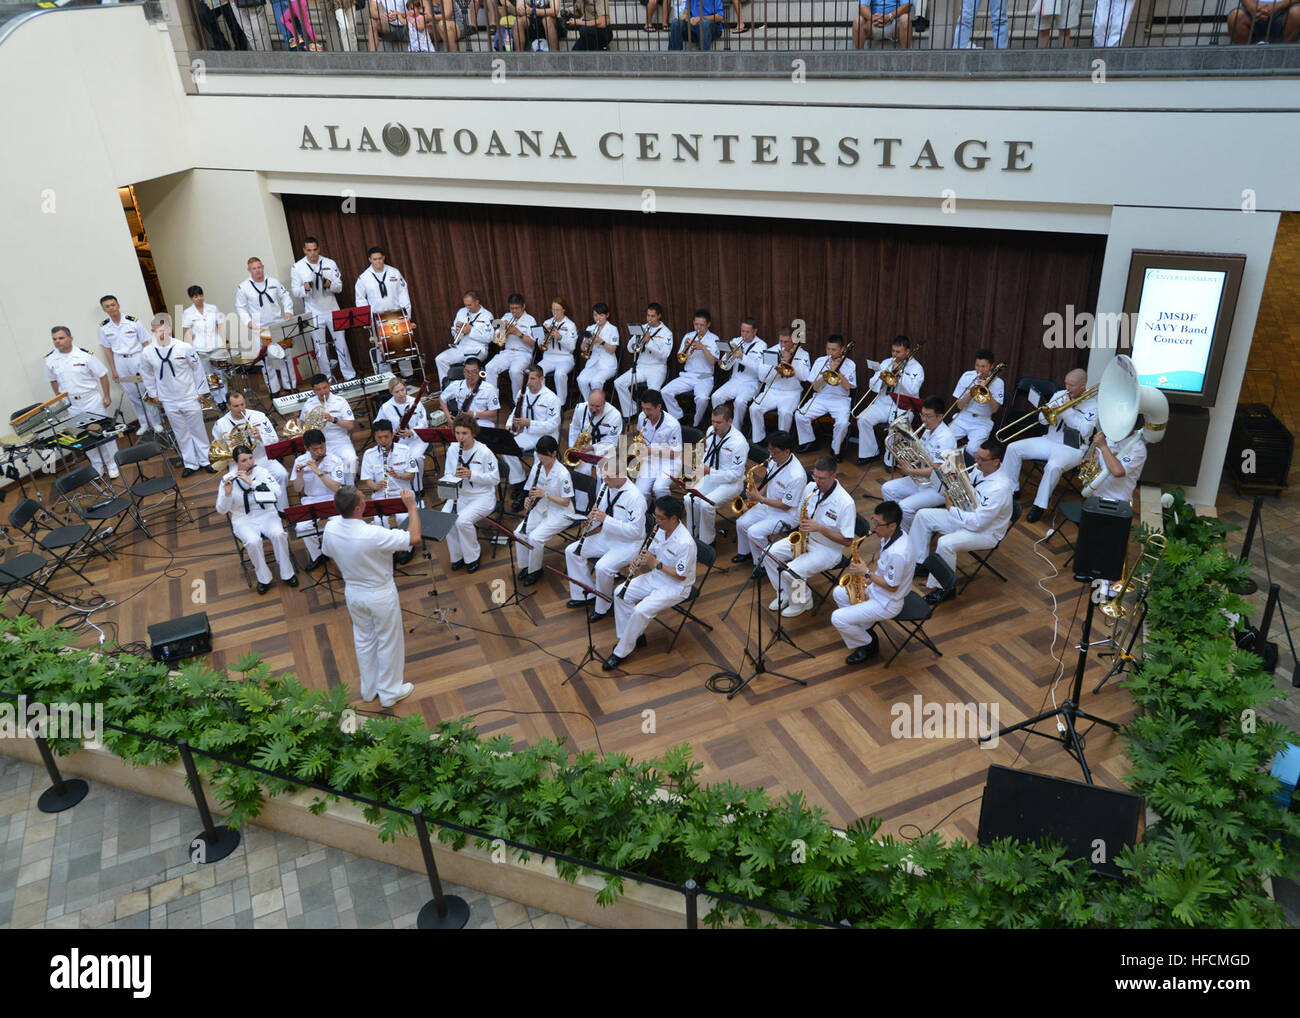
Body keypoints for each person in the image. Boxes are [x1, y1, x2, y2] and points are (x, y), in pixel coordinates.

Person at [322, 485, 420, 708]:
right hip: (379, 592)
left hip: (353, 591)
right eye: (363, 499)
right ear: (358, 508)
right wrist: (412, 507)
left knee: (364, 639)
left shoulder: (331, 528)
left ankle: (369, 689)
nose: (366, 501)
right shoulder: (373, 534)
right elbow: (414, 538)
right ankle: (389, 692)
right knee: (389, 640)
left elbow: (330, 555)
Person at [908, 438, 1014, 604]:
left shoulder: (1000, 488)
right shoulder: (981, 470)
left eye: (981, 459)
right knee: (923, 516)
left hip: (985, 532)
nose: (976, 462)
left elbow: (979, 523)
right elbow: (967, 486)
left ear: (996, 462)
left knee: (945, 543)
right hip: (966, 516)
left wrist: (952, 509)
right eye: (976, 457)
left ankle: (945, 588)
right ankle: (920, 564)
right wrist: (951, 478)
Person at [604, 496, 696, 670]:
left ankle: (621, 652)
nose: (656, 521)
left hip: (675, 587)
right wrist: (640, 560)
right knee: (620, 593)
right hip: (657, 576)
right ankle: (634, 637)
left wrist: (655, 564)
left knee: (640, 610)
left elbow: (680, 576)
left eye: (660, 518)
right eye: (655, 516)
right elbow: (651, 552)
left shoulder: (686, 543)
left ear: (674, 518)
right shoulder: (660, 529)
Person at [764, 455, 857, 618]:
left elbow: (847, 541)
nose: (817, 482)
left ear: (834, 476)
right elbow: (802, 512)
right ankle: (784, 593)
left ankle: (802, 602)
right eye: (815, 476)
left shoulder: (846, 503)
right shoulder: (811, 488)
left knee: (791, 571)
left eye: (822, 478)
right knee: (768, 553)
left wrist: (820, 528)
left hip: (828, 550)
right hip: (806, 538)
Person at [1001, 368, 1096, 524]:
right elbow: (1043, 420)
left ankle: (1039, 506)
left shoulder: (1092, 405)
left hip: (1072, 448)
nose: (1067, 388)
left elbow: (1085, 431)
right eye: (1066, 383)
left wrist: (1066, 411)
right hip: (1050, 439)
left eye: (1071, 385)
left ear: (1083, 385)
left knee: (1052, 466)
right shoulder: (1060, 395)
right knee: (1013, 448)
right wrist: (1047, 411)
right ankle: (1012, 489)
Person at [830, 501, 913, 665]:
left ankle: (868, 644)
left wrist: (866, 573)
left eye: (877, 524)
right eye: (873, 521)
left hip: (887, 602)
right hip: (877, 590)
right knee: (839, 592)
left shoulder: (899, 553)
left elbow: (892, 586)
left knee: (837, 618)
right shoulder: (892, 536)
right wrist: (869, 575)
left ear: (892, 526)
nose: (873, 527)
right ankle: (863, 629)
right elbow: (885, 572)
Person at [564, 463, 646, 622]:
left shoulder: (636, 497)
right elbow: (598, 513)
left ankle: (603, 606)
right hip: (607, 536)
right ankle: (584, 594)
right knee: (572, 551)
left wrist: (606, 520)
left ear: (621, 474)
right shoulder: (605, 487)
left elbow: (635, 531)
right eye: (604, 476)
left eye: (608, 476)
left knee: (602, 567)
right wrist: (589, 523)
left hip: (628, 544)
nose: (604, 480)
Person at [218, 446, 298, 595]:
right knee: (253, 541)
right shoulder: (227, 479)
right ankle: (264, 578)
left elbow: (277, 493)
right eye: (243, 460)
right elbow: (221, 510)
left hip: (266, 513)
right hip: (243, 518)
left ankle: (288, 573)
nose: (248, 463)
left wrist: (252, 483)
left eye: (250, 458)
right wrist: (227, 495)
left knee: (279, 534)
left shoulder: (262, 472)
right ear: (236, 463)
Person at [140, 317, 214, 477]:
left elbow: (197, 368)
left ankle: (205, 460)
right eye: (156, 331)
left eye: (163, 330)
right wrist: (153, 394)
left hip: (189, 395)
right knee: (181, 432)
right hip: (168, 399)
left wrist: (201, 391)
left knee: (198, 429)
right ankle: (190, 463)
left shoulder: (184, 347)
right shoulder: (148, 352)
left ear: (169, 329)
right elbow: (146, 374)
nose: (160, 334)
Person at [45, 327, 120, 480]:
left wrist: (106, 396)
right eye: (55, 339)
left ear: (70, 338)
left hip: (91, 400)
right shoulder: (50, 359)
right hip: (72, 404)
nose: (57, 341)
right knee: (82, 436)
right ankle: (97, 465)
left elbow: (103, 375)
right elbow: (53, 380)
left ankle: (113, 463)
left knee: (102, 432)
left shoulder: (84, 355)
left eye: (61, 338)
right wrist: (60, 399)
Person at [880, 396, 956, 531]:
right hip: (921, 480)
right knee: (887, 488)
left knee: (904, 507)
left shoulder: (945, 438)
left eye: (928, 416)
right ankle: (899, 527)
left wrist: (910, 471)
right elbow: (921, 455)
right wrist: (904, 452)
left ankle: (911, 534)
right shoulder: (928, 430)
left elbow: (936, 471)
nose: (923, 420)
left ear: (940, 417)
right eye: (922, 414)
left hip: (938, 488)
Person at [732, 431, 806, 566]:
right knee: (741, 523)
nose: (771, 455)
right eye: (770, 450)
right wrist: (758, 493)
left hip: (787, 514)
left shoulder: (796, 475)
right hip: (768, 503)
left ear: (787, 452)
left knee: (754, 533)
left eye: (775, 452)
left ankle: (763, 564)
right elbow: (769, 480)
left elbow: (786, 506)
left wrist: (760, 498)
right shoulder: (774, 460)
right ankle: (746, 552)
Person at [440, 413, 500, 573]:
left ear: (473, 432)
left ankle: (472, 556)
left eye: (464, 433)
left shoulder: (484, 452)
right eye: (457, 433)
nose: (460, 437)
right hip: (460, 494)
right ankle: (457, 555)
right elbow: (447, 473)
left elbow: (495, 479)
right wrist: (447, 482)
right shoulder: (453, 450)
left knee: (462, 521)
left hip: (482, 496)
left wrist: (471, 475)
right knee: (445, 519)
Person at [512, 436, 576, 585]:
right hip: (541, 508)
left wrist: (545, 494)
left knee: (535, 537)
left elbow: (566, 502)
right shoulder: (537, 467)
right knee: (518, 533)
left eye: (543, 454)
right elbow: (531, 490)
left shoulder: (563, 474)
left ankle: (535, 571)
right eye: (538, 453)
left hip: (561, 512)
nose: (540, 457)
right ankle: (526, 566)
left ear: (554, 453)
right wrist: (529, 500)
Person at [290, 237, 355, 383]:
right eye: (309, 250)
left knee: (341, 343)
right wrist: (304, 288)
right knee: (320, 348)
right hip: (314, 312)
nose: (312, 253)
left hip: (333, 309)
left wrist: (329, 284)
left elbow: (339, 287)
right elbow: (295, 291)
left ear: (319, 249)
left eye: (314, 250)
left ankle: (349, 375)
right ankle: (326, 378)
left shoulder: (330, 263)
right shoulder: (297, 267)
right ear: (304, 250)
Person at [684, 403, 748, 547]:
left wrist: (708, 471)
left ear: (729, 421)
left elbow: (736, 474)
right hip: (711, 476)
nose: (715, 425)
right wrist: (700, 466)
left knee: (706, 504)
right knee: (689, 499)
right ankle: (692, 535)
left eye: (719, 422)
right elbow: (708, 452)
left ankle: (707, 542)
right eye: (713, 421)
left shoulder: (738, 443)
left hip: (731, 483)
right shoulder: (711, 431)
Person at [97, 294, 162, 434]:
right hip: (120, 361)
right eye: (107, 306)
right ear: (104, 310)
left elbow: (146, 343)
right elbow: (107, 351)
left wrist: (150, 364)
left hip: (137, 358)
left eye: (113, 304)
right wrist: (113, 370)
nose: (111, 308)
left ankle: (156, 422)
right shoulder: (104, 328)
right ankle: (143, 423)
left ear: (118, 305)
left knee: (147, 392)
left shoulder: (133, 322)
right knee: (132, 394)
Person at [855, 335, 923, 466]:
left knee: (895, 428)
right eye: (893, 351)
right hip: (883, 403)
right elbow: (872, 386)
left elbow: (913, 390)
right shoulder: (887, 362)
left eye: (898, 352)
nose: (895, 355)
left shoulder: (917, 368)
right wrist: (882, 379)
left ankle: (890, 461)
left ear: (907, 352)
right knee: (862, 419)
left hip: (903, 408)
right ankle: (870, 453)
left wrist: (900, 374)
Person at [212, 391, 287, 509]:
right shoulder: (220, 424)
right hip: (238, 464)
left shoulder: (259, 416)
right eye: (236, 406)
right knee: (239, 484)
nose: (240, 408)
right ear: (228, 406)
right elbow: (218, 446)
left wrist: (260, 436)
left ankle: (282, 508)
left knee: (281, 474)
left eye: (242, 404)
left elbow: (274, 439)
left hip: (262, 458)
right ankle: (255, 509)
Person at [234, 257, 295, 395]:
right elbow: (240, 307)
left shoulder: (273, 282)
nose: (258, 271)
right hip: (259, 327)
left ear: (263, 267)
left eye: (259, 267)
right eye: (254, 268)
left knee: (286, 355)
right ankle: (273, 389)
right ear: (249, 270)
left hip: (277, 323)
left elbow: (285, 296)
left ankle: (290, 385)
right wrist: (248, 321)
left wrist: (288, 312)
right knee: (266, 359)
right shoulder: (243, 287)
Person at [504, 364, 562, 510]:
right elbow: (514, 412)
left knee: (539, 462)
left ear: (541, 379)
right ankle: (519, 481)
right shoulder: (522, 393)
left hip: (546, 438)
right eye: (526, 379)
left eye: (532, 379)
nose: (528, 382)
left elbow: (553, 424)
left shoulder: (551, 398)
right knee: (507, 449)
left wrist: (529, 423)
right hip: (528, 435)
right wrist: (509, 424)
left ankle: (525, 493)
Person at [793, 334, 856, 460]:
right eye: (828, 349)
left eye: (833, 350)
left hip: (840, 400)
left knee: (843, 423)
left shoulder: (850, 364)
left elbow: (848, 387)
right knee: (800, 415)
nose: (830, 353)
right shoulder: (820, 361)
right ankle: (809, 442)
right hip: (821, 397)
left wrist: (838, 371)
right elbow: (815, 387)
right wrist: (825, 375)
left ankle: (836, 449)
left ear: (842, 349)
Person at [291, 428, 346, 569]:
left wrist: (318, 472)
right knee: (302, 527)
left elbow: (335, 487)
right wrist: (299, 476)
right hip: (311, 499)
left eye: (322, 447)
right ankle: (318, 555)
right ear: (306, 448)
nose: (320, 452)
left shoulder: (336, 460)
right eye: (315, 449)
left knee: (338, 523)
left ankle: (341, 553)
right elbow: (297, 489)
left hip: (333, 498)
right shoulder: (300, 461)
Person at [353, 247, 411, 372]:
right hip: (377, 318)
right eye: (375, 259)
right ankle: (386, 376)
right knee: (381, 348)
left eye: (380, 258)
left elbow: (403, 293)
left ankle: (407, 373)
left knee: (402, 344)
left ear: (384, 257)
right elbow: (360, 300)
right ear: (370, 260)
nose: (378, 262)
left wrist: (407, 314)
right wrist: (366, 320)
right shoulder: (364, 278)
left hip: (396, 315)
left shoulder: (394, 272)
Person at [749, 328, 810, 445]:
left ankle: (782, 443)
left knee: (785, 412)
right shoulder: (771, 351)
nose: (782, 344)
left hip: (791, 393)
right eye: (781, 341)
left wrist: (792, 362)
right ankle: (759, 439)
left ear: (794, 341)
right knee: (754, 408)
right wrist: (776, 366)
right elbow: (762, 377)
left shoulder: (803, 354)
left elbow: (805, 377)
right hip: (772, 390)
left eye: (786, 342)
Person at [360, 419, 417, 541]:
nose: (383, 441)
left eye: (386, 437)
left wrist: (398, 475)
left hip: (403, 493)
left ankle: (407, 547)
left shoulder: (405, 450)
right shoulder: (369, 454)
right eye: (379, 437)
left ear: (392, 435)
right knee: (379, 521)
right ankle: (388, 548)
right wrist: (375, 486)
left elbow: (412, 475)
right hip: (381, 495)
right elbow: (367, 479)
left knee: (403, 518)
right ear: (375, 437)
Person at [614, 303, 673, 420]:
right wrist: (637, 340)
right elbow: (630, 348)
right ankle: (630, 411)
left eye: (653, 316)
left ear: (659, 316)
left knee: (653, 393)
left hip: (657, 368)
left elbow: (665, 354)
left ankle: (653, 418)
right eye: (648, 316)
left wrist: (649, 341)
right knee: (619, 383)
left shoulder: (666, 332)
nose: (649, 319)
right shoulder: (642, 327)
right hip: (641, 366)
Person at [662, 310, 719, 429]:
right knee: (665, 391)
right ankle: (679, 417)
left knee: (702, 398)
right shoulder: (688, 336)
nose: (698, 327)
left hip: (705, 376)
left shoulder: (714, 339)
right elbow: (680, 360)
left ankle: (696, 423)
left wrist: (703, 348)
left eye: (701, 325)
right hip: (688, 375)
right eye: (696, 324)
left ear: (708, 324)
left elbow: (713, 361)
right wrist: (686, 347)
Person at [710, 318, 767, 435]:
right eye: (742, 331)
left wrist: (742, 357)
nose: (744, 335)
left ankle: (735, 431)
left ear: (755, 331)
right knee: (716, 396)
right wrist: (728, 354)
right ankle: (720, 425)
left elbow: (759, 369)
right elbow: (725, 366)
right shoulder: (736, 341)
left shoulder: (761, 345)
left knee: (740, 402)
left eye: (747, 332)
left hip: (751, 382)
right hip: (735, 380)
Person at [298, 373, 358, 483]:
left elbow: (350, 425)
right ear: (314, 391)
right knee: (303, 464)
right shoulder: (309, 404)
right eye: (318, 390)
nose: (323, 392)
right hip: (318, 444)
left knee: (351, 459)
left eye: (325, 388)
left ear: (329, 386)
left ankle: (349, 486)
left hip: (340, 441)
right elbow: (301, 422)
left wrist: (334, 419)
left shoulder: (340, 401)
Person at [374, 376, 430, 494]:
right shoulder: (386, 407)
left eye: (402, 390)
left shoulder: (415, 403)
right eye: (397, 392)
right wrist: (390, 433)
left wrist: (412, 432)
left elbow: (424, 423)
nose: (401, 394)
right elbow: (377, 425)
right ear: (391, 393)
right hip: (398, 441)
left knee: (415, 458)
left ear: (406, 388)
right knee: (397, 460)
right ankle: (401, 487)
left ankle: (418, 488)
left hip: (417, 439)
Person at [483, 293, 539, 404]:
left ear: (523, 306)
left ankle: (517, 401)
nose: (514, 311)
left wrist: (518, 333)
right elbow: (497, 339)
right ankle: (492, 400)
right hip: (507, 352)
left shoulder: (530, 320)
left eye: (516, 308)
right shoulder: (506, 317)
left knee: (515, 371)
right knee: (489, 367)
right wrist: (502, 333)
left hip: (523, 354)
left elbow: (534, 343)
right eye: (511, 308)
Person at [182, 286, 229, 408]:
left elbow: (220, 326)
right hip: (201, 349)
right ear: (191, 298)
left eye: (200, 295)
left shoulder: (213, 308)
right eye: (196, 296)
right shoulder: (187, 313)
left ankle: (226, 398)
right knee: (209, 375)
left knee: (220, 373)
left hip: (216, 346)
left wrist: (224, 344)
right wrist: (192, 350)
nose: (199, 298)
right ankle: (219, 401)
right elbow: (189, 332)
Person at [630, 389, 681, 502]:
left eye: (648, 409)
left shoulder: (672, 425)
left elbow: (675, 453)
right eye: (643, 408)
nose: (645, 412)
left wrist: (650, 451)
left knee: (659, 488)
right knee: (640, 492)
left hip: (669, 462)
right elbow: (641, 435)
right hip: (649, 460)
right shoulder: (642, 416)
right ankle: (647, 514)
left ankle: (668, 512)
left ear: (659, 407)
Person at [436, 291, 494, 385]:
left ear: (477, 302)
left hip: (479, 349)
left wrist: (471, 330)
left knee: (469, 365)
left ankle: (472, 390)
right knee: (440, 359)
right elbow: (453, 331)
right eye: (465, 305)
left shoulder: (487, 315)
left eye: (469, 305)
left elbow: (489, 338)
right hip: (462, 347)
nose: (467, 307)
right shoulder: (461, 312)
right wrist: (457, 330)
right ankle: (447, 388)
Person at [948, 349, 1003, 449]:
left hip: (982, 422)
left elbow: (994, 410)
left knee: (972, 450)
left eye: (983, 366)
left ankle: (960, 452)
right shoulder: (967, 376)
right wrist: (974, 390)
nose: (979, 370)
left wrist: (986, 390)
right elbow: (959, 406)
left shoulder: (998, 383)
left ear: (991, 366)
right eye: (977, 365)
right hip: (963, 417)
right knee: (945, 441)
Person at [566, 387, 622, 479]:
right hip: (584, 447)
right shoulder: (580, 408)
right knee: (581, 472)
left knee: (604, 473)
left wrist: (592, 447)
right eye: (591, 405)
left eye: (598, 406)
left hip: (605, 449)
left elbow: (612, 442)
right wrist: (573, 448)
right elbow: (575, 428)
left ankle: (601, 493)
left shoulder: (615, 415)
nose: (594, 410)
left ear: (604, 404)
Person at [538, 299, 579, 405]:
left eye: (557, 310)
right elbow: (540, 344)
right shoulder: (547, 323)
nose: (555, 312)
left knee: (559, 374)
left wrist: (559, 337)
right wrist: (543, 336)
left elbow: (572, 347)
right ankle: (542, 400)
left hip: (565, 358)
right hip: (548, 357)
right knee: (538, 371)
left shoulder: (570, 325)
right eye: (553, 309)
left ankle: (561, 403)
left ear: (564, 310)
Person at [576, 302, 620, 401]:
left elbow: (612, 350)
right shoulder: (590, 328)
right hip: (593, 363)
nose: (598, 318)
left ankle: (598, 404)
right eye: (595, 315)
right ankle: (589, 403)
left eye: (601, 315)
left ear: (607, 315)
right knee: (581, 380)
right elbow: (583, 348)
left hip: (608, 365)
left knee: (595, 381)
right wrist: (588, 341)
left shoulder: (613, 329)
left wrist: (600, 341)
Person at [440, 356, 499, 424]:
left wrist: (474, 414)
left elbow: (494, 412)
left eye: (474, 372)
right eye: (467, 372)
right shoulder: (456, 385)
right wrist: (448, 416)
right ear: (464, 372)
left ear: (480, 372)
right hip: (463, 421)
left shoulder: (489, 388)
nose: (470, 375)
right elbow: (442, 398)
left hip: (482, 421)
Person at [1226, 0, 1300, 42]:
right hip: (1254, 9)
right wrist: (1250, 6)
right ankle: (1247, 59)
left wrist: (1278, 6)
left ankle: (1286, 56)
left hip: (1286, 8)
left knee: (1297, 13)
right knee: (1235, 17)